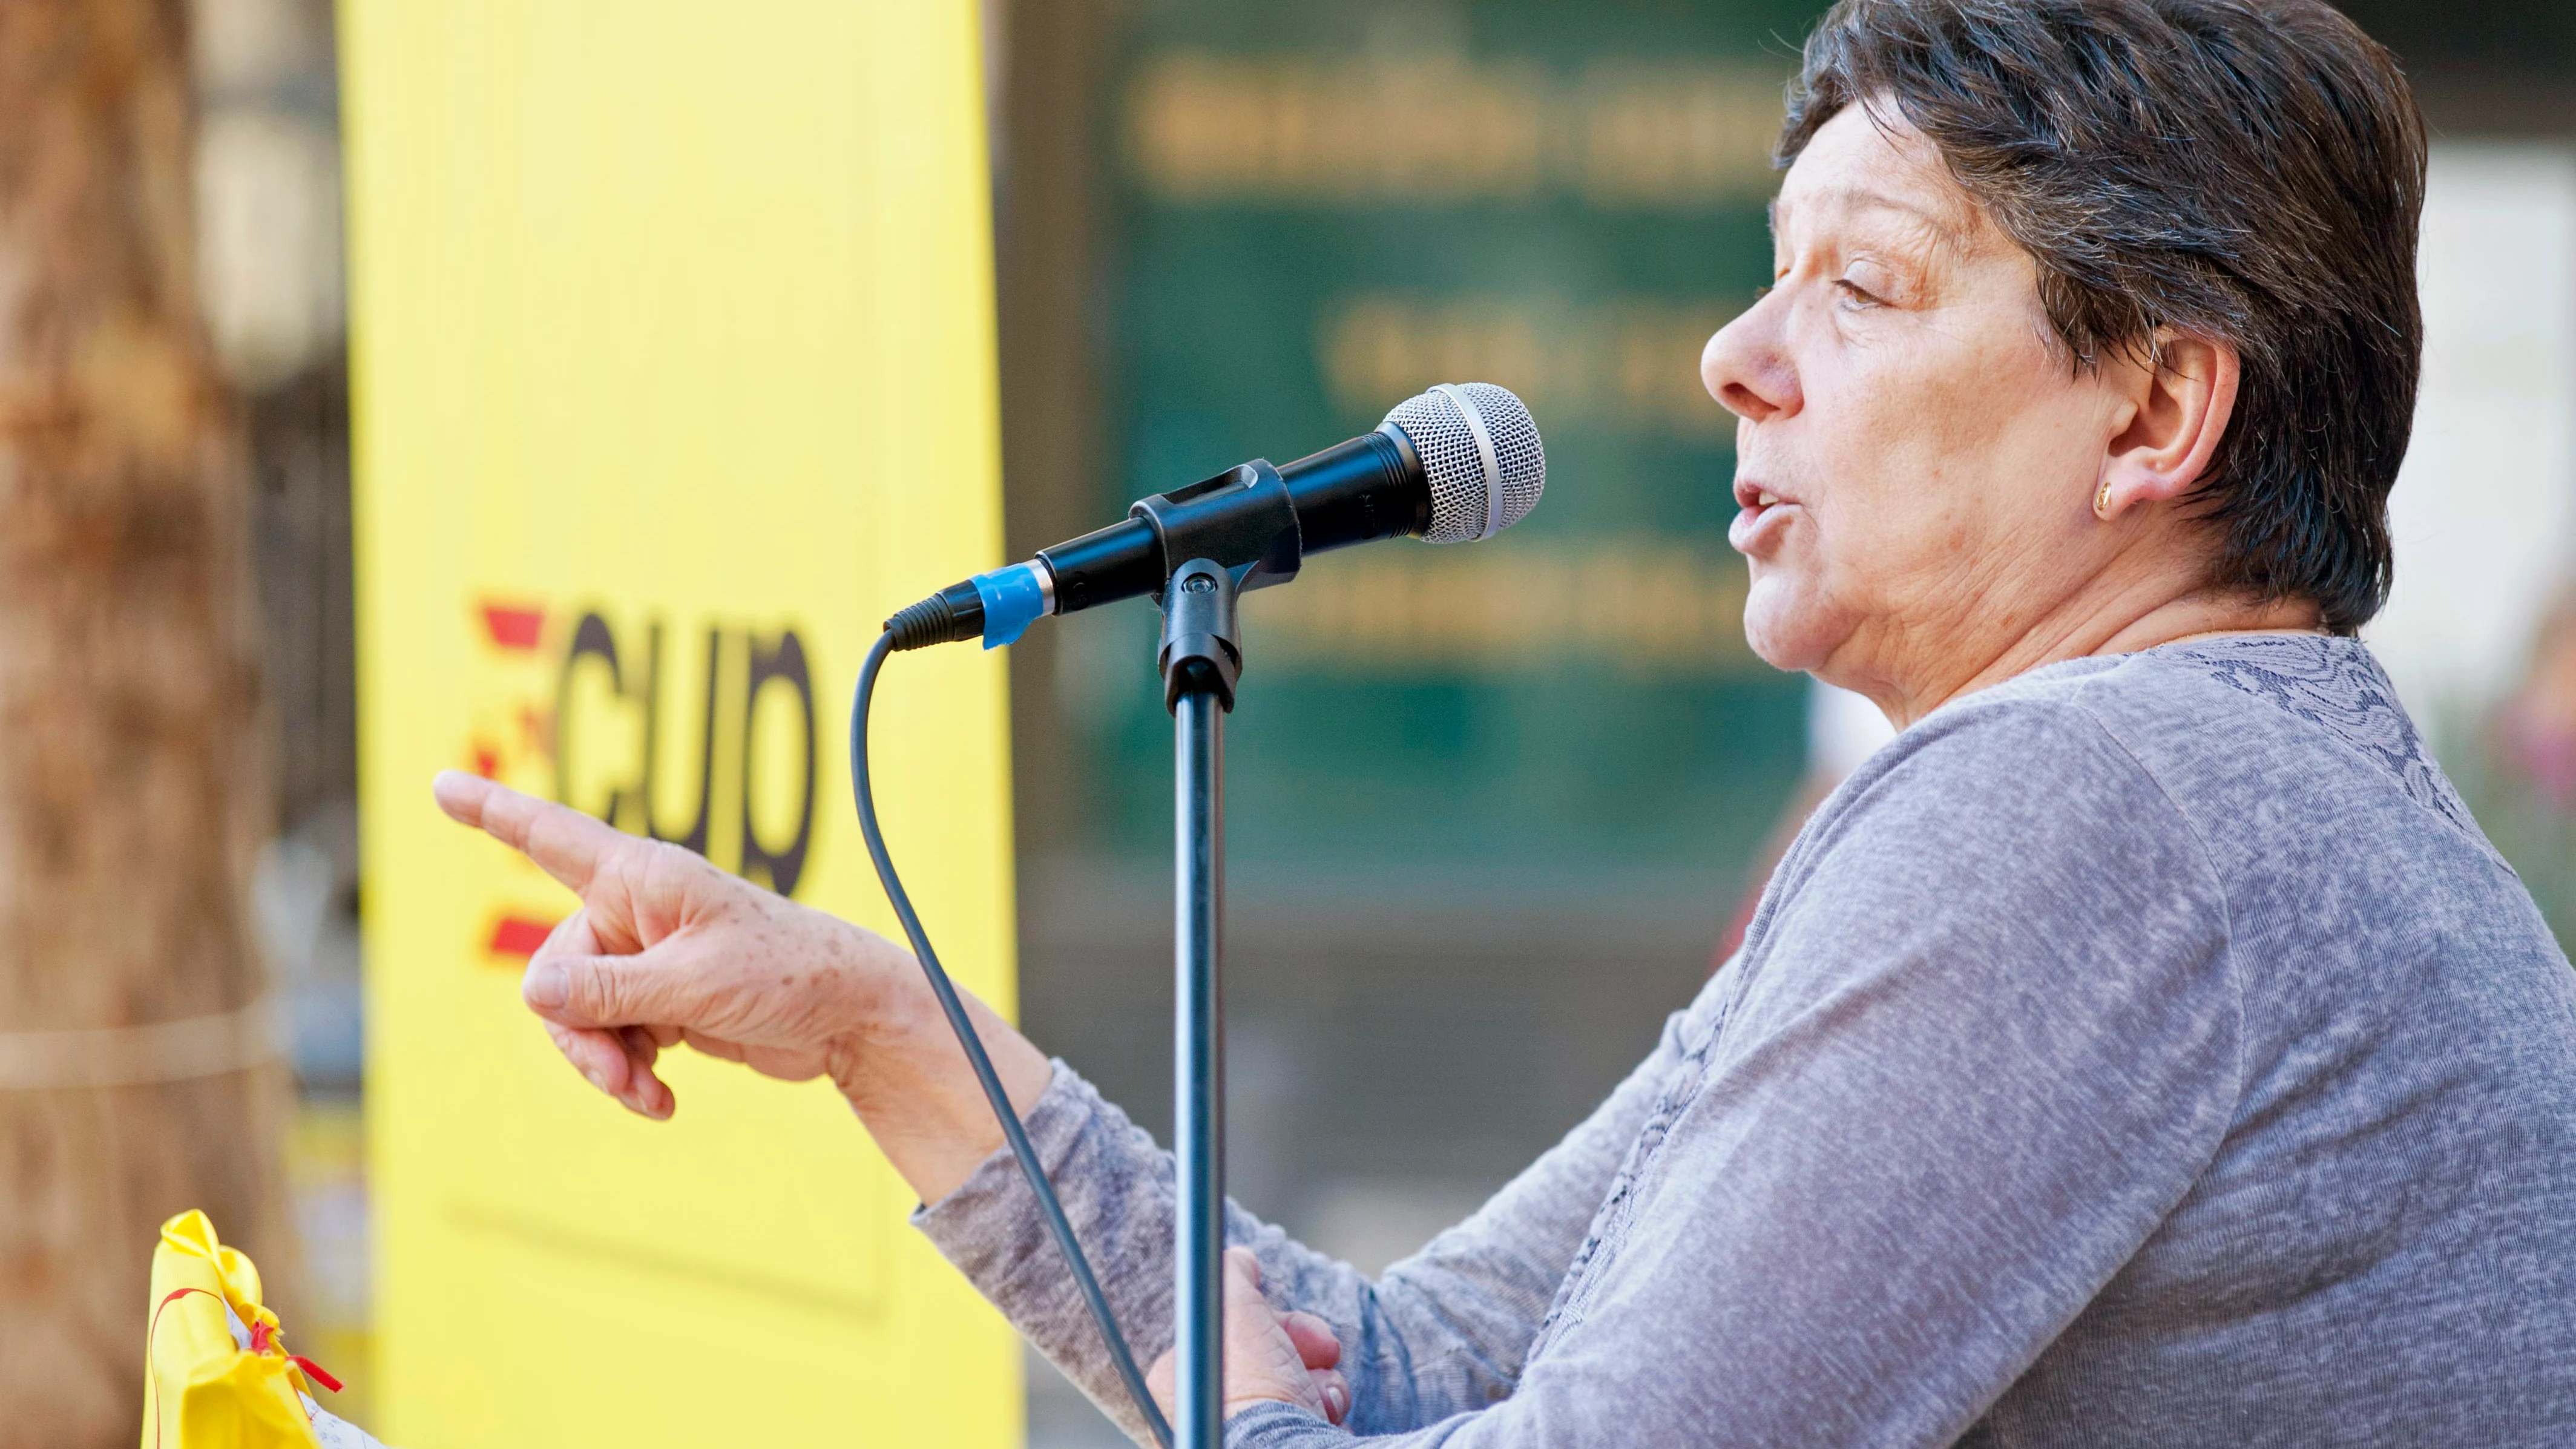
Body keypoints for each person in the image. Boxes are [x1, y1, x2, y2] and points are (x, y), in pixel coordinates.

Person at [432, 0, 2576, 1442]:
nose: (1738, 353)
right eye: (1770, 272)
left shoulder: (2098, 816)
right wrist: (883, 1029)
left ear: (2158, 407)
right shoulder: (2206, 795)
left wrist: (1252, 1404)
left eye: (1865, 285)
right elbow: (1420, 1367)